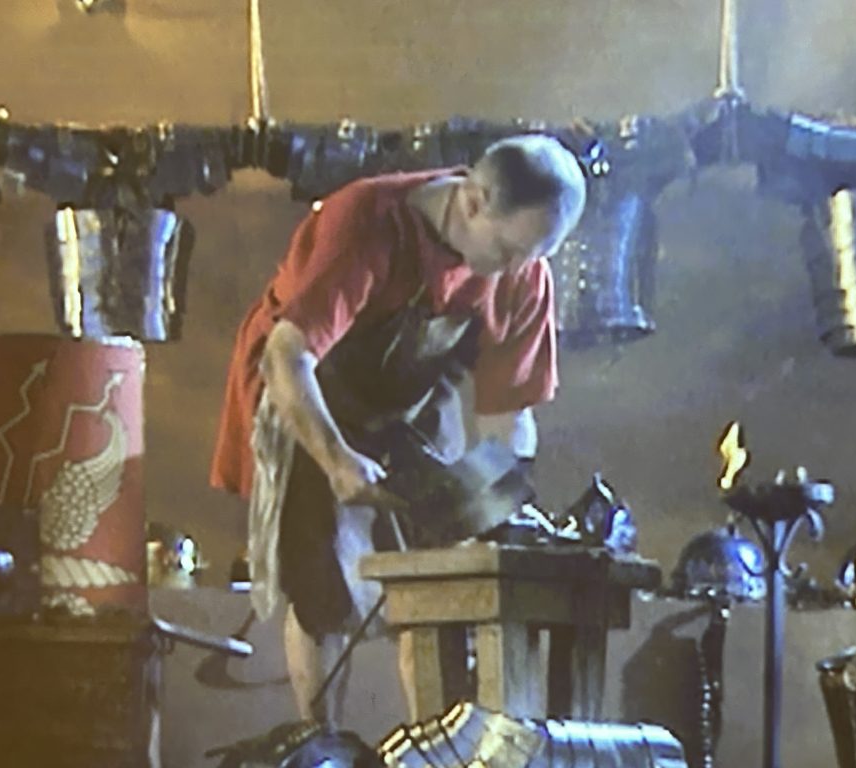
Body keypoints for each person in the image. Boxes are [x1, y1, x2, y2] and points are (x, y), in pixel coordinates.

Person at [209, 133, 587, 726]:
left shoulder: (525, 270)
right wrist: (336, 461)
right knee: (324, 591)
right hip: (311, 388)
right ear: (472, 202)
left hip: (413, 399)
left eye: (537, 254)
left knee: (438, 579)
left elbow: (508, 413)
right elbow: (288, 356)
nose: (519, 269)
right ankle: (321, 744)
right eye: (510, 250)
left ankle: (434, 747)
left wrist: (501, 502)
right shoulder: (366, 222)